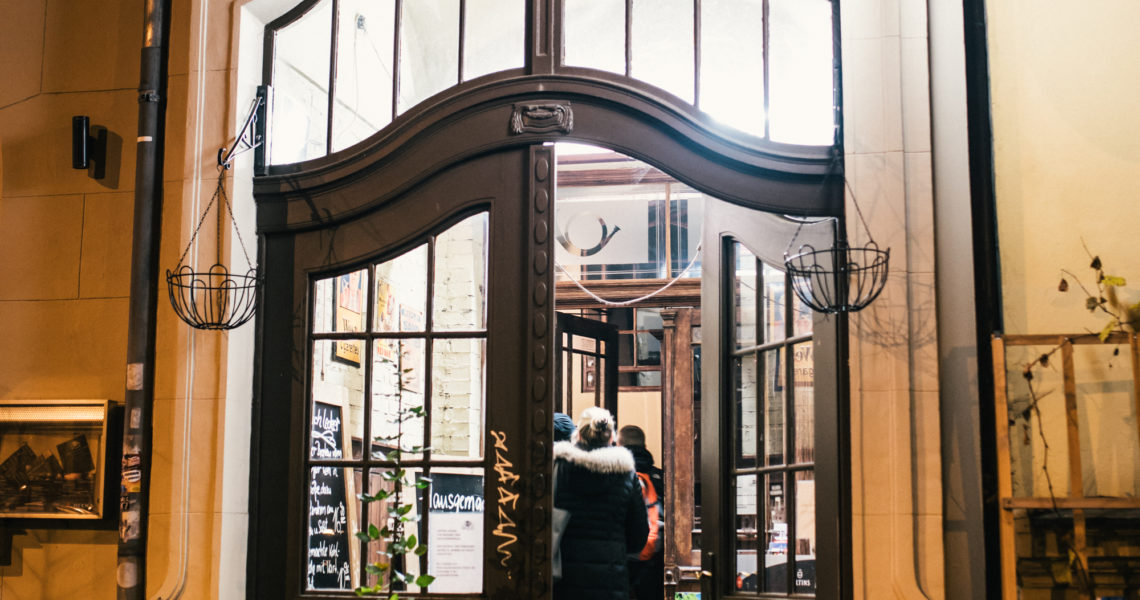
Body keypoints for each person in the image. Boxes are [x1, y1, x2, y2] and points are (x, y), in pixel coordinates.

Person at [553, 407, 649, 600]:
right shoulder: (626, 475)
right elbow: (639, 536)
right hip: (611, 579)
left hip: (567, 579)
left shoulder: (559, 468)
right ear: (612, 437)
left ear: (578, 434)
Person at [619, 425, 665, 600]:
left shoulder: (616, 477)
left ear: (618, 446)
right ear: (645, 447)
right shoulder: (661, 477)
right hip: (657, 557)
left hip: (624, 557)